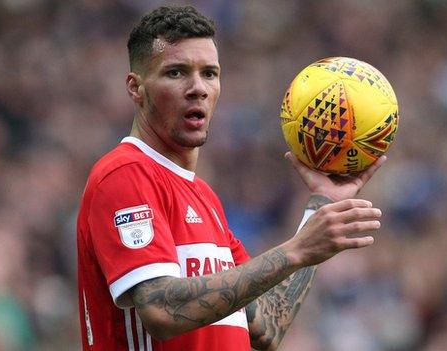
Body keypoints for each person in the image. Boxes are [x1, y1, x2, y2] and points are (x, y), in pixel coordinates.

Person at [76, 5, 386, 351]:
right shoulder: (125, 174)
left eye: (209, 73)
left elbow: (265, 324)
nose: (198, 88)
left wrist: (319, 209)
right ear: (136, 88)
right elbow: (161, 309)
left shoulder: (204, 198)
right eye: (176, 73)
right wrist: (298, 249)